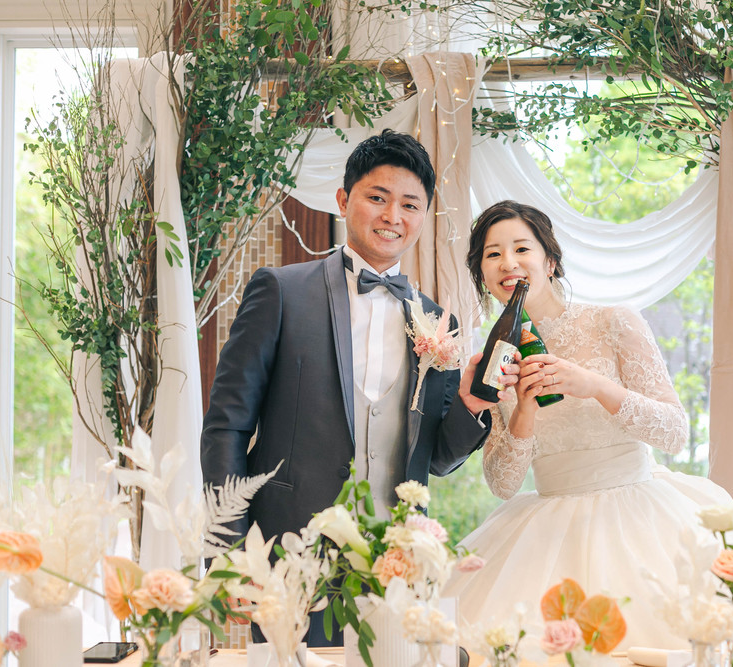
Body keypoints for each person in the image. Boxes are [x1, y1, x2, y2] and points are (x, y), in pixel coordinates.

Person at [201, 130, 515, 645]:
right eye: (378, 197)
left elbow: (435, 459)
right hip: (287, 551)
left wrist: (472, 403)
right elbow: (226, 428)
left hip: (394, 564)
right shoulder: (280, 291)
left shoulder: (439, 322)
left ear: (424, 216)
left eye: (410, 205)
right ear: (344, 200)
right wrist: (228, 552)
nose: (393, 216)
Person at [442, 200, 733, 651]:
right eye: (492, 254)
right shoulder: (494, 358)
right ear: (482, 273)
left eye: (521, 249)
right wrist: (524, 410)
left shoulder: (613, 321)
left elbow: (674, 432)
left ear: (550, 262)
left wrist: (594, 385)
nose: (508, 263)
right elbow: (503, 484)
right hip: (546, 531)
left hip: (642, 517)